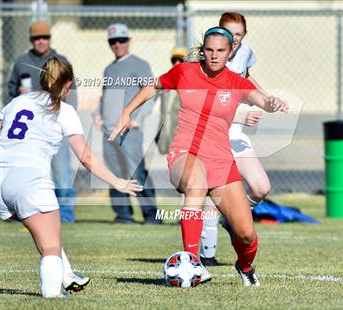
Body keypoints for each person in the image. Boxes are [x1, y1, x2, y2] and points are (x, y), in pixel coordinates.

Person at [109, 26, 289, 286]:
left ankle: (245, 267)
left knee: (246, 234)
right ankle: (191, 264)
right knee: (196, 183)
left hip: (221, 161)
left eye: (221, 51)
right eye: (209, 50)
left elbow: (259, 98)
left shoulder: (236, 82)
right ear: (203, 51)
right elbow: (153, 86)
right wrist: (127, 112)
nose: (214, 55)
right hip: (185, 152)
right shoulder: (185, 72)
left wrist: (271, 103)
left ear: (230, 54)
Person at [0, 58, 142, 297]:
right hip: (25, 179)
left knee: (40, 227)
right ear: (68, 85)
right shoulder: (64, 110)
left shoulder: (17, 101)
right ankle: (52, 296)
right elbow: (86, 157)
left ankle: (67, 274)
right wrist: (117, 182)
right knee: (51, 245)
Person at [200, 12, 272, 266]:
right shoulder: (209, 59)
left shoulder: (243, 52)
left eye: (239, 34)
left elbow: (246, 75)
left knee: (261, 187)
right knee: (213, 198)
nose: (235, 39)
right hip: (214, 134)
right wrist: (240, 116)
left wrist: (265, 97)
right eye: (230, 33)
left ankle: (232, 218)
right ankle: (205, 257)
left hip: (235, 133)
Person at [6, 20, 77, 224]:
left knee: (62, 172)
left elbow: (73, 90)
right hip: (30, 130)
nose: (41, 41)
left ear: (50, 39)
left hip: (54, 124)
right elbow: (10, 88)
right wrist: (16, 92)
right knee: (28, 172)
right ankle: (25, 212)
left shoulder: (60, 61)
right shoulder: (21, 62)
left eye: (44, 37)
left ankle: (65, 215)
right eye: (37, 38)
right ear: (31, 40)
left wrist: (68, 119)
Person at [93, 23, 160, 224]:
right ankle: (123, 215)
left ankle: (151, 216)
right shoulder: (109, 69)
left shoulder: (140, 64)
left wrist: (137, 119)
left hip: (129, 131)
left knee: (136, 171)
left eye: (121, 40)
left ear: (128, 41)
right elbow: (105, 96)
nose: (117, 44)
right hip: (108, 132)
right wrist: (98, 114)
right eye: (113, 41)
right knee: (114, 174)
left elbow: (151, 93)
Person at [156, 47, 187, 155]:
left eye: (181, 60)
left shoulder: (190, 82)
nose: (177, 63)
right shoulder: (165, 80)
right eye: (174, 61)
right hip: (166, 130)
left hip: (181, 133)